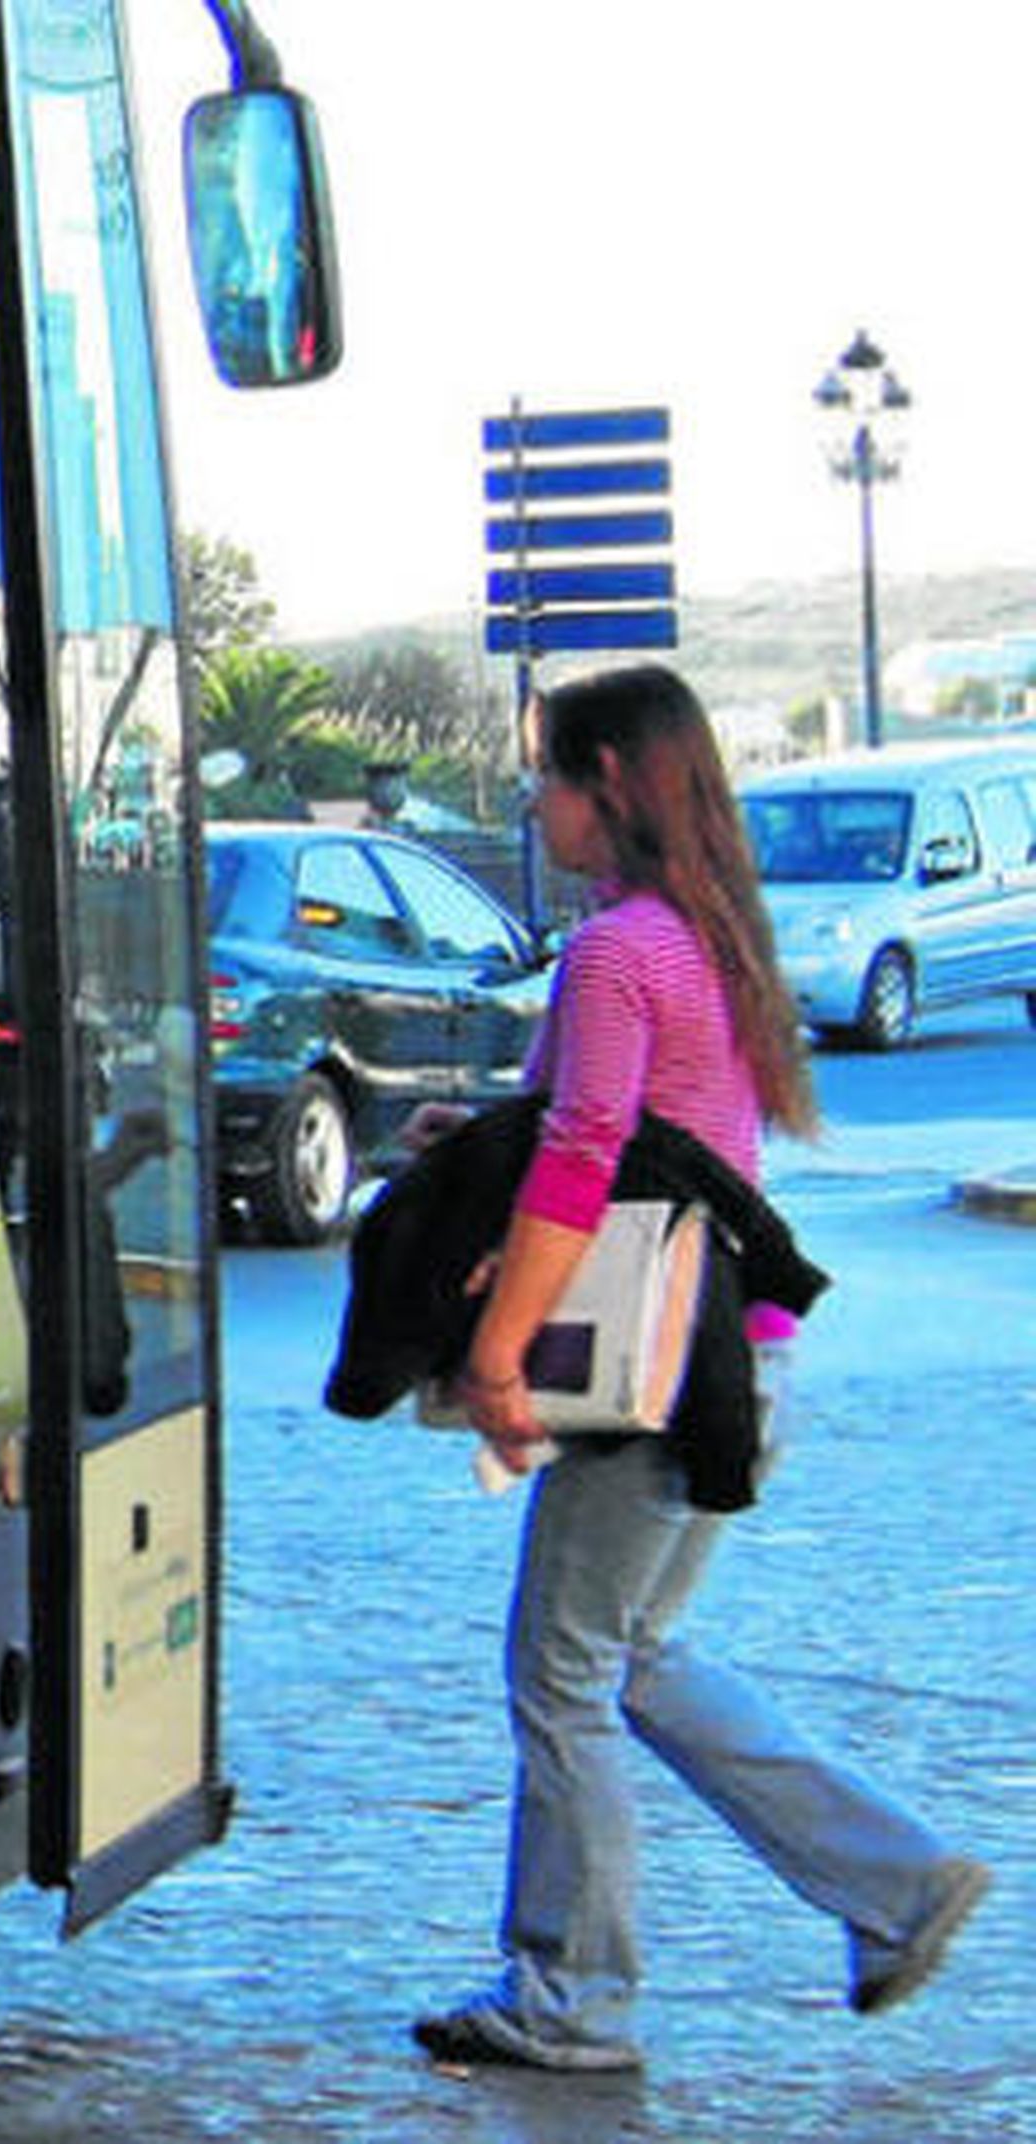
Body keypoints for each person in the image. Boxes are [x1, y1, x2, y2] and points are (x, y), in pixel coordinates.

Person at [410, 663, 990, 2074]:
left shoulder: (617, 954)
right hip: (739, 1366)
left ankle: (572, 2001)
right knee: (636, 1660)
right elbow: (639, 1134)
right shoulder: (702, 938)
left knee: (562, 1670)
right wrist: (470, 1131)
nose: (529, 802)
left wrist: (496, 1354)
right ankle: (898, 1884)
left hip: (652, 1374)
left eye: (547, 775)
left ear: (609, 786)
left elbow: (588, 1152)